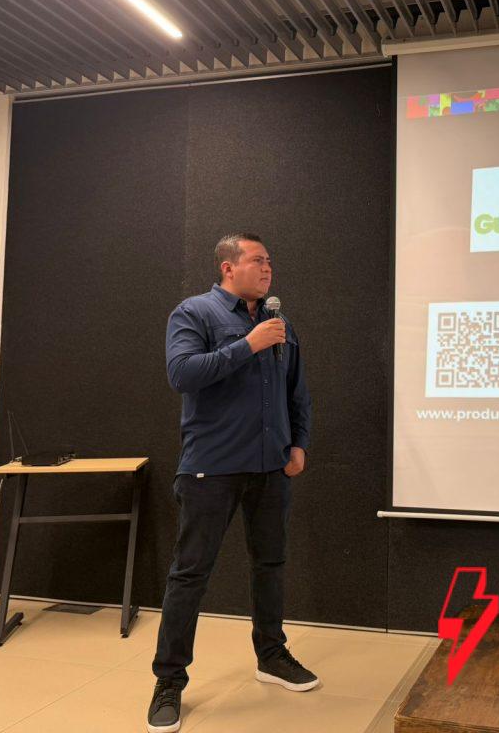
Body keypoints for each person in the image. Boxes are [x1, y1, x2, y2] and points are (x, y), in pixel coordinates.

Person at [147, 232, 315, 733]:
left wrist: (299, 442)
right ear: (228, 267)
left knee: (270, 565)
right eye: (258, 260)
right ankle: (169, 681)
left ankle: (272, 656)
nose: (267, 269)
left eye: (270, 261)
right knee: (190, 574)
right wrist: (247, 345)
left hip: (270, 468)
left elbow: (297, 390)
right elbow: (182, 374)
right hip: (211, 468)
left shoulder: (279, 323)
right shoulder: (194, 313)